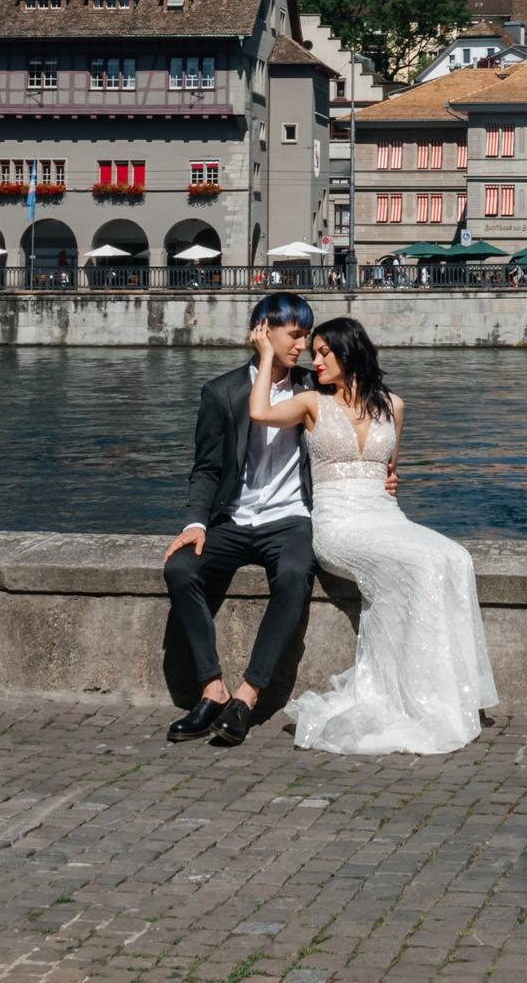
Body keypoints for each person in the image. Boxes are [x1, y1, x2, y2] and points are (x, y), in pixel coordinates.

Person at [248, 316, 498, 754]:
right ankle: (415, 699)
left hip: (386, 516)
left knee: (455, 557)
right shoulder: (310, 403)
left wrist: (391, 480)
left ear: (351, 352)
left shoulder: (393, 405)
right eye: (314, 353)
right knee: (422, 564)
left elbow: (389, 470)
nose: (317, 360)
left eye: (325, 352)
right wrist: (267, 355)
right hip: (339, 525)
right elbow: (260, 412)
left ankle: (449, 693)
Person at [161, 292, 319, 748]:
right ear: (263, 331)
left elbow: (367, 414)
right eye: (294, 334)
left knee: (293, 576)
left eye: (306, 335)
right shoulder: (222, 392)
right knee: (179, 568)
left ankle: (247, 697)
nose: (303, 345)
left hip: (291, 519)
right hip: (233, 519)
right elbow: (207, 468)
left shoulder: (315, 387)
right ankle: (212, 690)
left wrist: (385, 472)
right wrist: (196, 522)